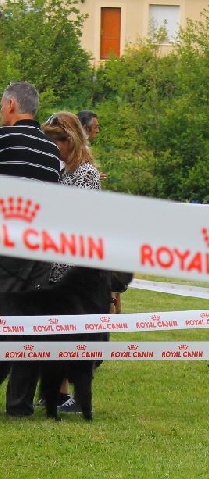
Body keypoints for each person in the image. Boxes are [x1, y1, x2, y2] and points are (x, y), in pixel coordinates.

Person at [0, 82, 61, 418]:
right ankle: (20, 405)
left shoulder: (2, 140)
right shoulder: (51, 152)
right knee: (29, 326)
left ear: (10, 105)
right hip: (38, 249)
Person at [41, 111, 103, 413]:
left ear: (71, 140)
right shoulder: (61, 171)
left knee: (74, 335)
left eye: (57, 142)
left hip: (74, 267)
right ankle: (56, 392)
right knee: (55, 333)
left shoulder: (86, 174)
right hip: (54, 265)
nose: (54, 148)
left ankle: (72, 394)